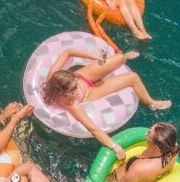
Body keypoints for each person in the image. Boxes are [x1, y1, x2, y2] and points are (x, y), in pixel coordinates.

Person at [42, 50, 170, 158]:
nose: (76, 89)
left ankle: (124, 58)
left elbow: (68, 51)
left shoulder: (54, 76)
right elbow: (93, 129)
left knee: (119, 57)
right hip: (88, 94)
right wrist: (115, 147)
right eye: (73, 89)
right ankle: (152, 103)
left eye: (75, 86)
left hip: (82, 76)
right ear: (64, 93)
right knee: (133, 77)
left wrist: (92, 57)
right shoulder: (71, 103)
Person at [104, 123, 179, 182]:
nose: (146, 133)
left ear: (156, 147)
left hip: (115, 180)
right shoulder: (174, 149)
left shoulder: (140, 168)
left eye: (149, 134)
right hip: (140, 177)